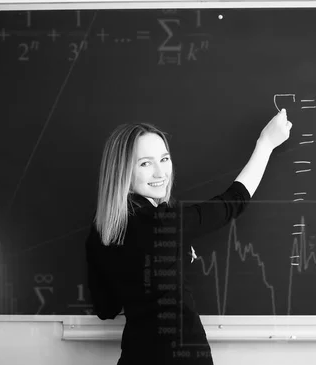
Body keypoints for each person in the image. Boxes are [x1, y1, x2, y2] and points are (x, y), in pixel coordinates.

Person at [85, 109, 292, 364]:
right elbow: (232, 202)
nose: (161, 173)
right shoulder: (165, 222)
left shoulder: (101, 231)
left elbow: (106, 309)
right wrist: (266, 144)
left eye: (164, 159)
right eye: (145, 163)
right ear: (121, 171)